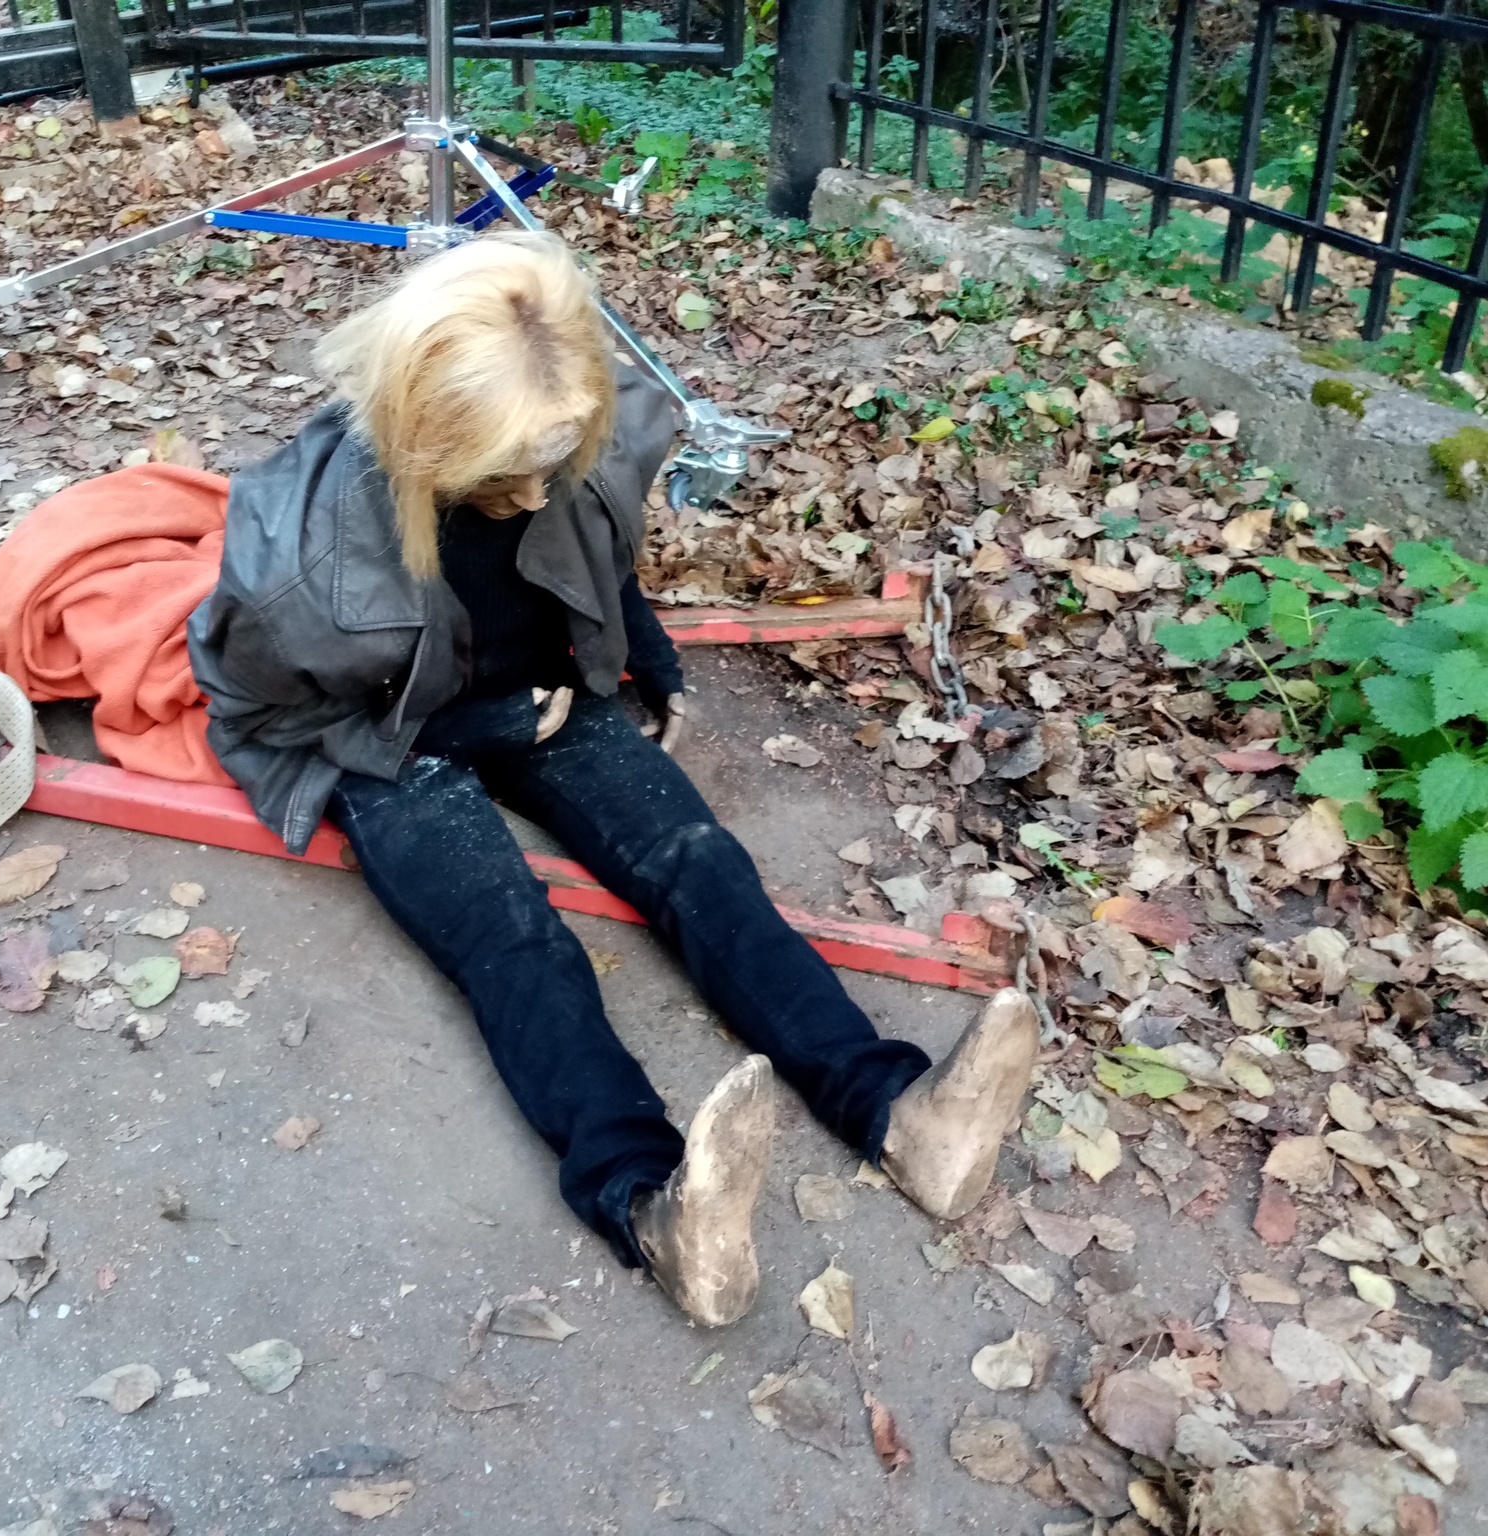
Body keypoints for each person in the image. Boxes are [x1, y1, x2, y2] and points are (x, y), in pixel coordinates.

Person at [188, 231, 1039, 1327]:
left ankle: (898, 1114)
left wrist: (649, 656)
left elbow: (602, 553)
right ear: (426, 439)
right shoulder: (299, 555)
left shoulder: (580, 428)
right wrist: (478, 721)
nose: (537, 488)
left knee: (701, 865)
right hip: (383, 738)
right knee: (513, 939)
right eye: (505, 473)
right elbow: (258, 713)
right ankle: (651, 1207)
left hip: (542, 698)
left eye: (555, 458)